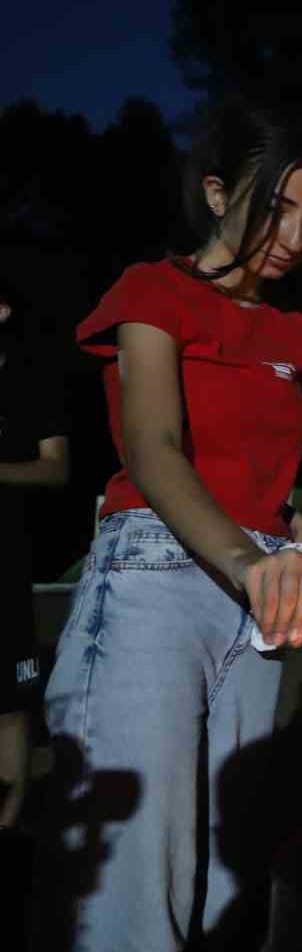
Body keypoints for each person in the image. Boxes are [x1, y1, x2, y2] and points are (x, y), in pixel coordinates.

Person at [39, 104, 302, 952]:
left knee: (231, 872)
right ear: (216, 193)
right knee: (134, 874)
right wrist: (249, 557)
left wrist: (296, 527)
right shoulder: (153, 292)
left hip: (261, 603)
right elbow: (155, 447)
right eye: (276, 210)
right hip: (160, 579)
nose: (296, 238)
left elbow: (253, 469)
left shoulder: (292, 331)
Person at [0, 281, 70, 832]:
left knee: (13, 698)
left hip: (7, 569)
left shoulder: (28, 386)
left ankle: (12, 821)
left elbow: (56, 468)